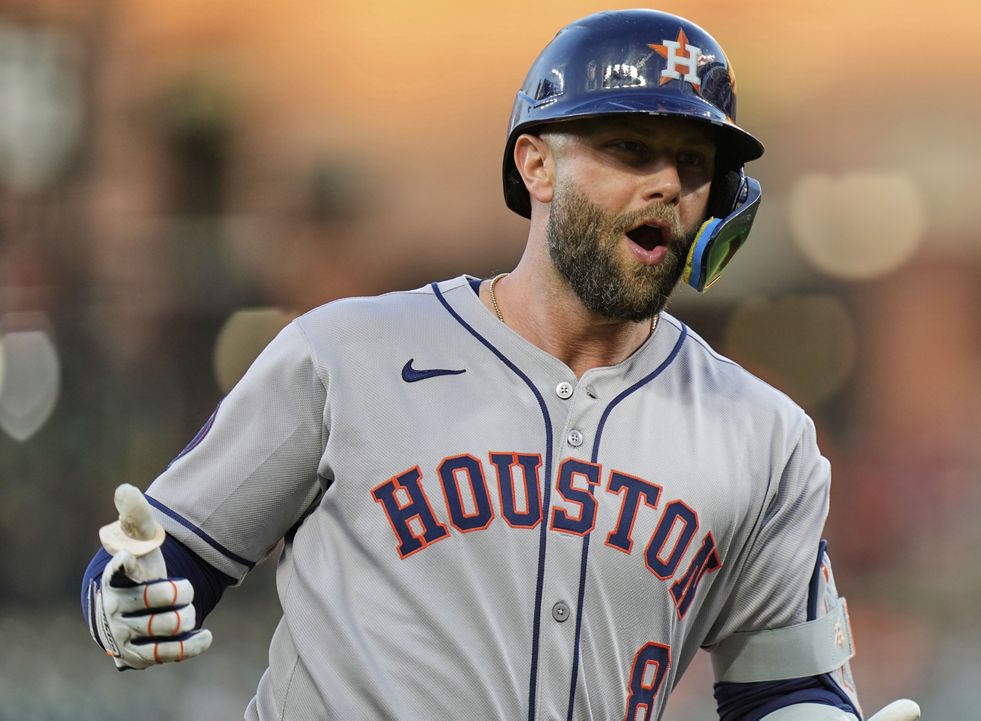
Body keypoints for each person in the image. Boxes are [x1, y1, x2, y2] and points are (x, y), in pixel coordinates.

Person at [82, 9, 922, 721]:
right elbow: (165, 557)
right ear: (537, 163)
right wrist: (124, 594)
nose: (667, 182)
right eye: (630, 147)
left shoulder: (762, 435)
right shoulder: (343, 354)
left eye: (694, 163)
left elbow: (787, 684)